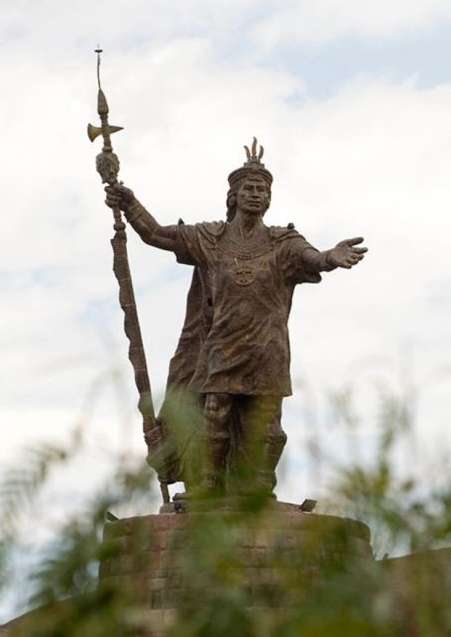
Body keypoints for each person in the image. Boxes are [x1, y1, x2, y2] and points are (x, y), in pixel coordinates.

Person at [105, 139, 367, 496]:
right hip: (222, 345)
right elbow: (157, 235)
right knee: (214, 412)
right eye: (249, 188)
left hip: (268, 348)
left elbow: (312, 258)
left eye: (262, 189)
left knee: (268, 424)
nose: (256, 194)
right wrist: (128, 203)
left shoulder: (283, 243)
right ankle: (208, 486)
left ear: (269, 198)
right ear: (234, 195)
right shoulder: (210, 239)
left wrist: (330, 257)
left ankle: (261, 489)